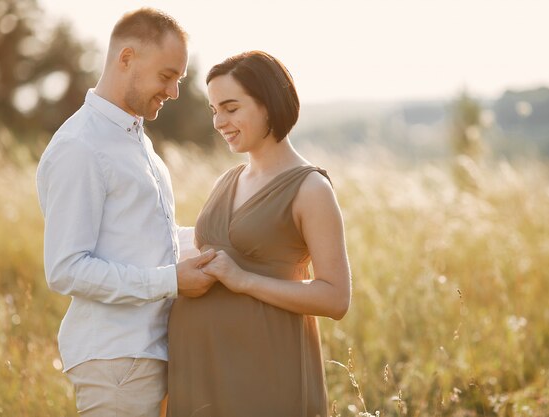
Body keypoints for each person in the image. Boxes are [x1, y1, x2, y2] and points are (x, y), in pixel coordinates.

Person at [36, 8, 216, 417]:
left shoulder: (136, 140)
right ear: (126, 58)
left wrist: (215, 243)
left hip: (150, 352)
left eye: (179, 80)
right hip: (116, 362)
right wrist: (172, 280)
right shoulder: (81, 147)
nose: (173, 92)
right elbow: (66, 268)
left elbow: (146, 240)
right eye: (166, 76)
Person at [167, 51, 352, 417]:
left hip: (263, 373)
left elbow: (335, 298)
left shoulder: (310, 188)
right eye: (214, 110)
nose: (219, 121)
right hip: (198, 370)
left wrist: (243, 280)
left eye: (231, 108)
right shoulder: (227, 180)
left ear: (269, 103)